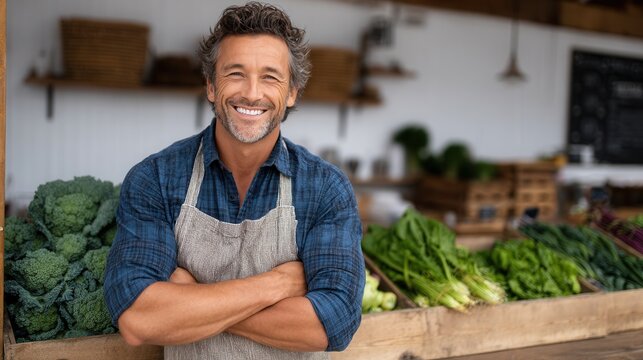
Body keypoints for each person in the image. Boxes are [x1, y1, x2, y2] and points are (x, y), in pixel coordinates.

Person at [103, 2, 365, 359]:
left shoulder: (325, 189)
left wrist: (192, 296)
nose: (252, 93)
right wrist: (276, 284)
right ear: (211, 85)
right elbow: (138, 319)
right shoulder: (156, 179)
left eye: (270, 77)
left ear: (292, 93)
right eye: (235, 73)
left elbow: (333, 324)